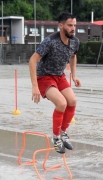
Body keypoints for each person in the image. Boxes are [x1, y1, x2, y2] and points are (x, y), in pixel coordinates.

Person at [29, 12, 81, 154]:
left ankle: (63, 133)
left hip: (59, 76)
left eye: (74, 25)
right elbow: (32, 61)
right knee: (61, 103)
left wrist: (74, 75)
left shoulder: (75, 41)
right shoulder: (50, 41)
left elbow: (73, 56)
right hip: (44, 77)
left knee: (72, 100)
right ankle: (56, 138)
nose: (73, 28)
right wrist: (34, 86)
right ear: (61, 25)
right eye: (70, 25)